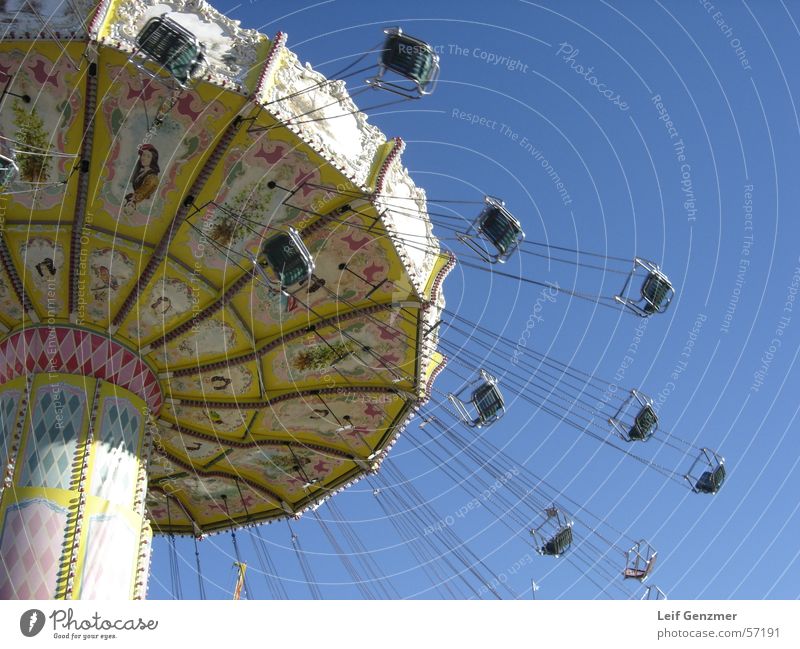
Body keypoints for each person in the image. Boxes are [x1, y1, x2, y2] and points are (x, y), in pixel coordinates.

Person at [123, 144, 160, 213]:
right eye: (143, 155)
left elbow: (139, 196)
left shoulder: (152, 178)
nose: (144, 158)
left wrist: (132, 200)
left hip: (140, 204)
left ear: (153, 160)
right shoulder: (141, 172)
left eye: (148, 156)